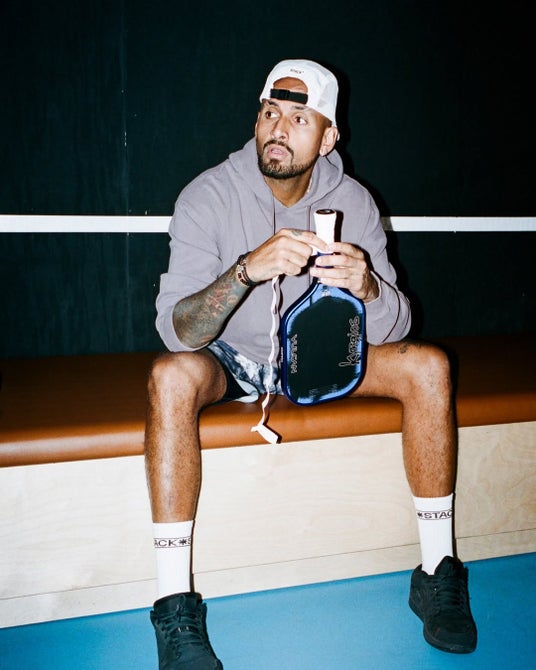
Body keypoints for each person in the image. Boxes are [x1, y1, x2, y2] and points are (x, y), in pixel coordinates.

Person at [145, 59, 477, 669]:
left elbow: (397, 329)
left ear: (327, 139)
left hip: (321, 359)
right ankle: (173, 604)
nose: (278, 128)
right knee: (169, 377)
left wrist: (369, 288)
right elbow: (177, 331)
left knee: (428, 366)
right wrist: (246, 271)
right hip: (232, 358)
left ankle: (437, 571)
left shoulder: (353, 202)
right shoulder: (208, 194)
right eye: (270, 112)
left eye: (300, 119)